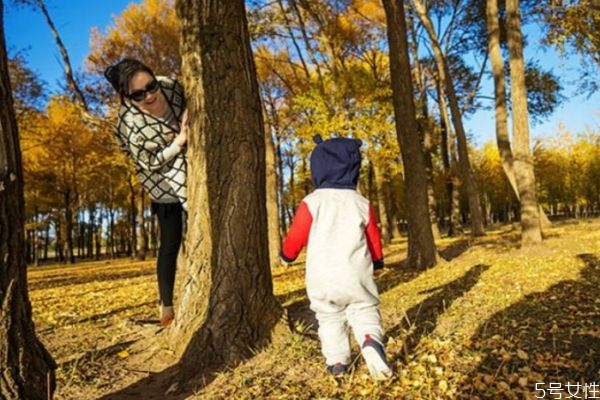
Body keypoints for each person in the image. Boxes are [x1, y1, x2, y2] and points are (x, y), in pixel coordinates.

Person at [280, 134, 393, 380]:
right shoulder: (361, 202)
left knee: (329, 318)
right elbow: (373, 237)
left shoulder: (312, 202)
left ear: (318, 168)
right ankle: (369, 340)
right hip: (355, 274)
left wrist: (286, 256)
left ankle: (338, 362)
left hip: (322, 278)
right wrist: (377, 262)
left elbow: (296, 234)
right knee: (364, 309)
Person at [104, 58, 188, 327]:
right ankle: (167, 304)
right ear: (126, 97)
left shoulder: (171, 87)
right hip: (160, 182)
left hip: (191, 168)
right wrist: (177, 142)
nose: (150, 96)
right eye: (138, 94)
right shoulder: (130, 124)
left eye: (150, 86)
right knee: (171, 240)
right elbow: (149, 162)